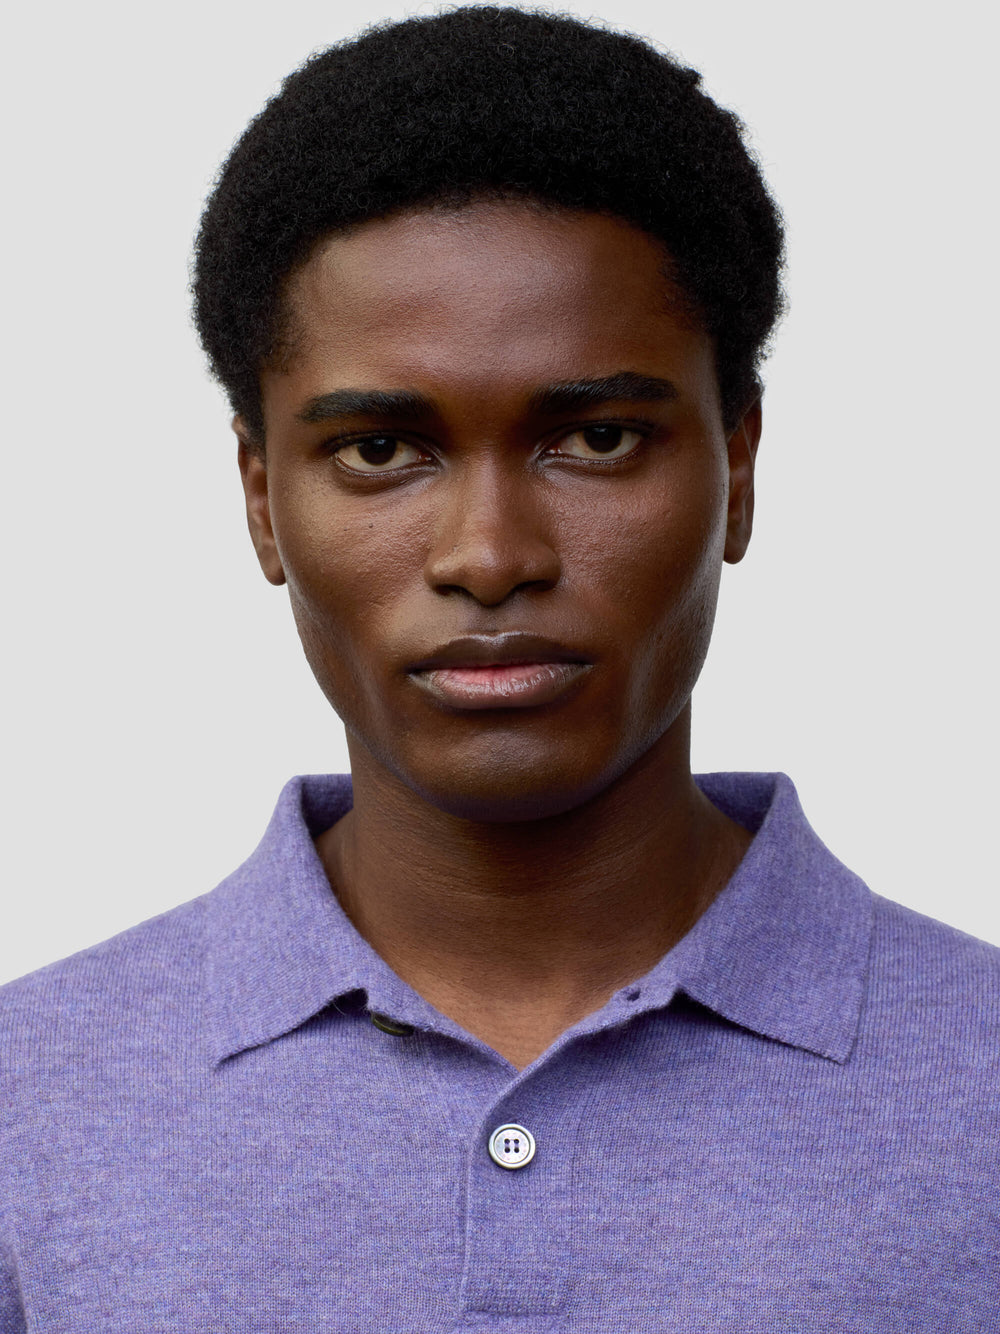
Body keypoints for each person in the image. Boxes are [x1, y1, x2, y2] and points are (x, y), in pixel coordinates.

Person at [1, 7, 996, 1331]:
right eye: (378, 453)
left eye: (593, 438)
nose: (489, 554)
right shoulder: (29, 1103)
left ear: (737, 466)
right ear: (259, 496)